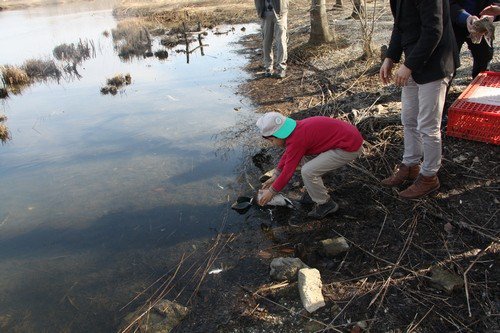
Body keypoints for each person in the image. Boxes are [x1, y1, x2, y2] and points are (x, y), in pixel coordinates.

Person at [379, 0, 459, 199]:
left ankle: (429, 176)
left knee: (427, 125)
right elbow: (400, 27)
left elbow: (434, 30)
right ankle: (411, 165)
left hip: (435, 65)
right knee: (409, 119)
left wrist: (409, 66)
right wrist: (391, 57)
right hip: (413, 62)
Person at [255, 112, 364, 219]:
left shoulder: (297, 139)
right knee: (304, 158)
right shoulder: (295, 130)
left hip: (349, 147)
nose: (272, 143)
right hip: (347, 139)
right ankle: (313, 191)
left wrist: (271, 192)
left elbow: (288, 172)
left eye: (272, 141)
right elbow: (289, 154)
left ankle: (326, 204)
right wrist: (275, 176)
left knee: (308, 171)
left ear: (276, 137)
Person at [450, 0, 498, 78]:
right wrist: (466, 17)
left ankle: (478, 84)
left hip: (482, 23)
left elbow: (497, 2)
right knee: (448, 61)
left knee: (484, 56)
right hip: (453, 23)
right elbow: (446, 4)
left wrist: (491, 14)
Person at [254, 0, 289, 78]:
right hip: (265, 12)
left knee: (281, 41)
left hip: (280, 13)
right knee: (266, 42)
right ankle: (268, 67)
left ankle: (281, 68)